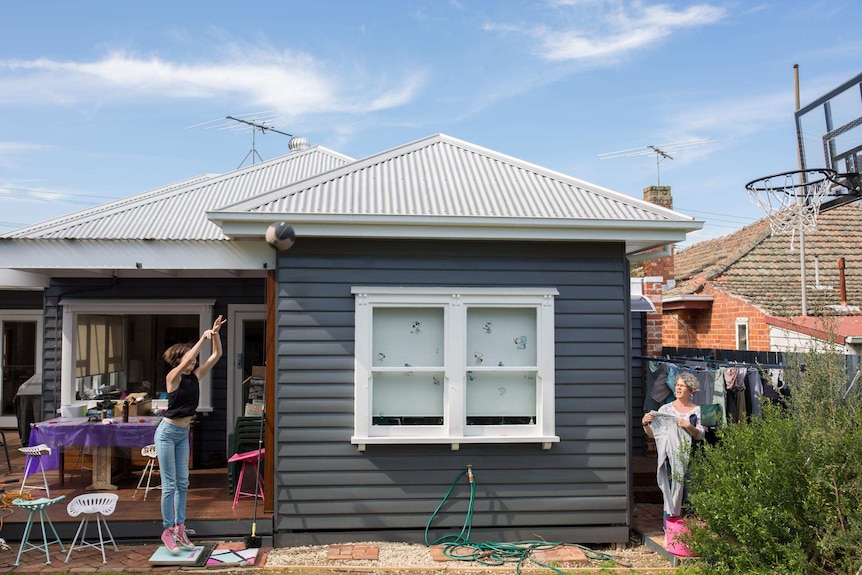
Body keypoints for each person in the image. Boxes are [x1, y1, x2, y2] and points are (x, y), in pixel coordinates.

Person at [156, 315, 226, 554]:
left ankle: (179, 528)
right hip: (166, 433)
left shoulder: (195, 377)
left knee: (183, 483)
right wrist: (202, 337)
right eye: (192, 358)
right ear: (179, 361)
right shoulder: (172, 379)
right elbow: (188, 356)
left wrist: (214, 335)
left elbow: (216, 356)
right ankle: (167, 530)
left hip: (183, 433)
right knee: (169, 485)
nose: (195, 360)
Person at [641, 371, 705, 530]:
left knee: (690, 494)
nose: (678, 388)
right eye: (677, 385)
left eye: (682, 386)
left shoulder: (697, 411)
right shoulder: (665, 409)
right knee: (671, 493)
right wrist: (645, 424)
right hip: (671, 458)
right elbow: (654, 435)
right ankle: (670, 530)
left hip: (691, 458)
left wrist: (688, 426)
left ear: (690, 390)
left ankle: (691, 531)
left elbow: (701, 435)